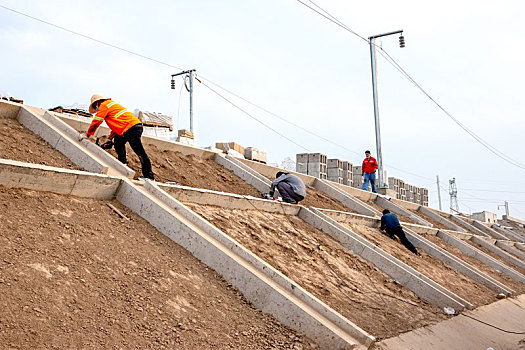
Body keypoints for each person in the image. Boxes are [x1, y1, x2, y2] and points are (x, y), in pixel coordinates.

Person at [80, 94, 155, 180]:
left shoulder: (103, 105)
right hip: (130, 127)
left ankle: (149, 176)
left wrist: (88, 134)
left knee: (140, 152)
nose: (96, 109)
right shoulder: (111, 105)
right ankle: (122, 163)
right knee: (118, 143)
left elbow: (97, 121)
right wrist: (109, 139)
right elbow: (117, 126)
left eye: (95, 106)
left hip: (131, 128)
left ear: (96, 103)